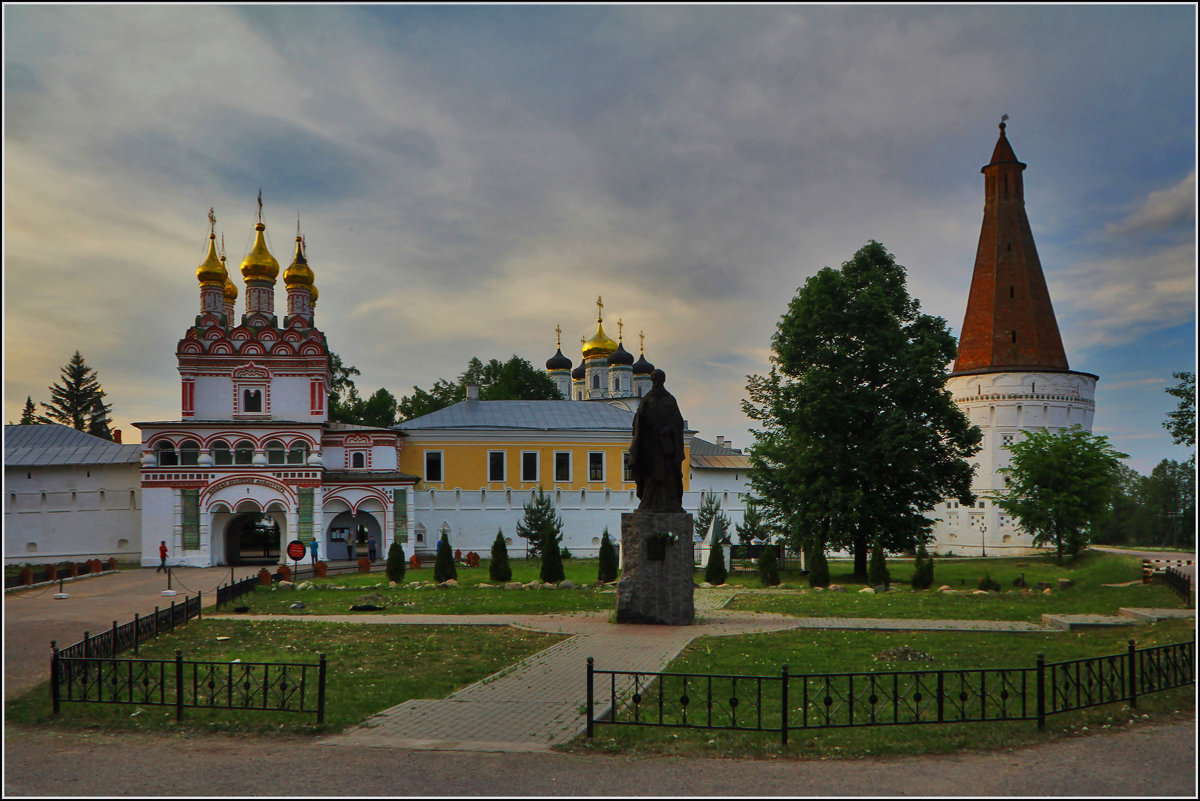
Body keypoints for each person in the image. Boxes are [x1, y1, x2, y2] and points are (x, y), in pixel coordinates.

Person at [625, 369, 686, 513]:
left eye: (659, 380)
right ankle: (648, 503)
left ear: (663, 381)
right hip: (650, 446)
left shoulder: (669, 400)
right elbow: (638, 424)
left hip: (666, 446)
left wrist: (668, 429)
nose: (657, 383)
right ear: (652, 381)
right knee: (651, 475)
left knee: (669, 475)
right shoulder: (647, 400)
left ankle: (671, 503)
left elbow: (678, 422)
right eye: (655, 380)